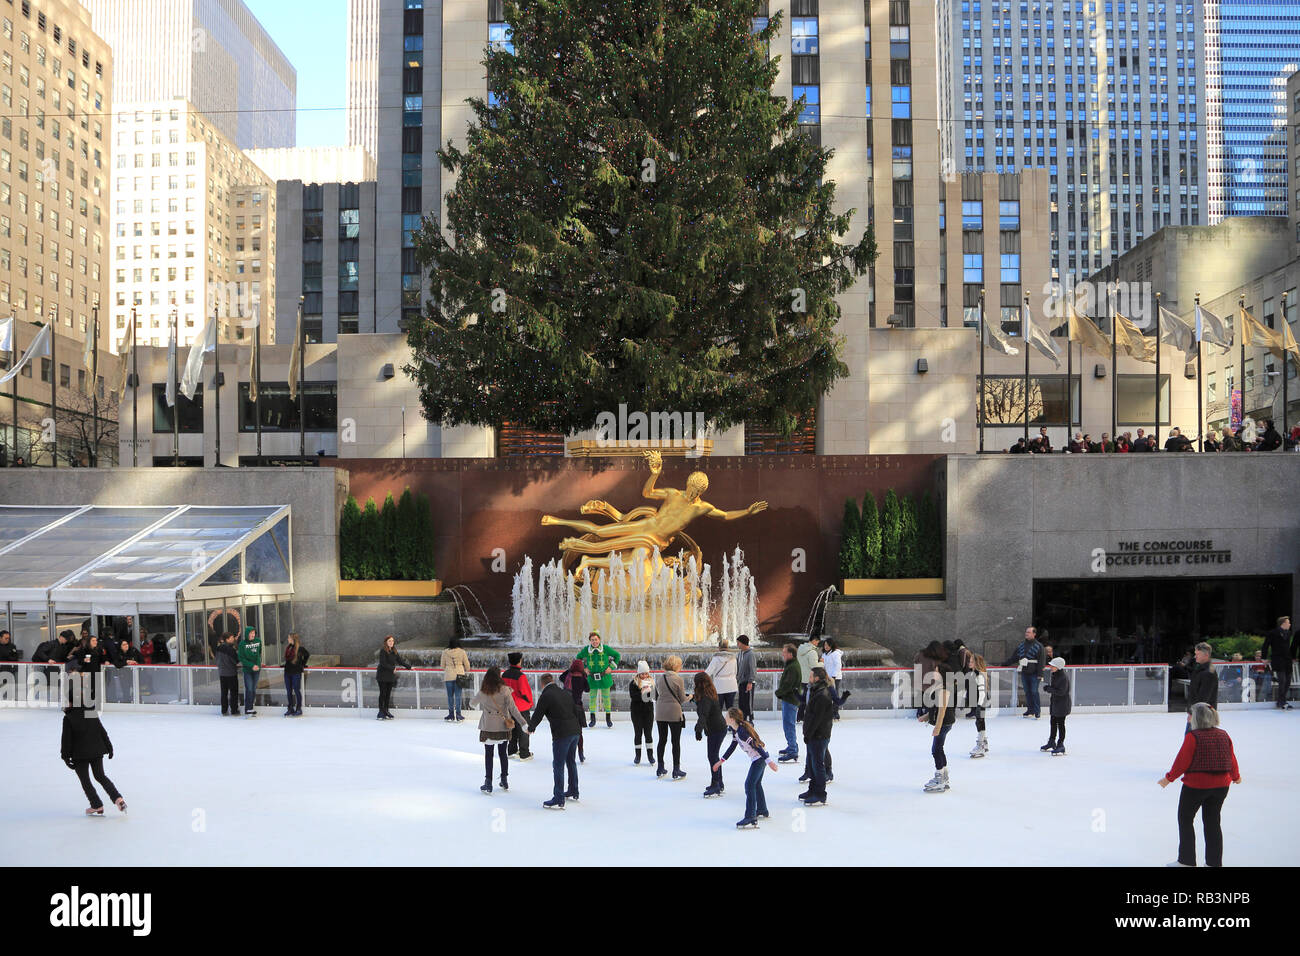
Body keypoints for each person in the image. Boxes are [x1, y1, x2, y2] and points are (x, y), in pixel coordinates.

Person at [1159, 702, 1241, 867]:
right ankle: (1213, 863)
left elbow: (1182, 761)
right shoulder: (1224, 734)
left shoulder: (1193, 737)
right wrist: (1235, 776)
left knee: (1185, 819)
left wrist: (1169, 778)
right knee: (1212, 822)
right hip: (1221, 786)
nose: (1188, 718)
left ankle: (1186, 861)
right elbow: (1231, 758)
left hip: (1196, 786)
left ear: (1196, 718)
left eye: (1190, 715)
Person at [61, 662, 126, 816]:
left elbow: (66, 740)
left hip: (80, 754)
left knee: (86, 780)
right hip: (97, 750)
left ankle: (96, 805)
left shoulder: (69, 717)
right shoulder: (91, 712)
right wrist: (109, 747)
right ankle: (118, 799)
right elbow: (102, 731)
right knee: (101, 776)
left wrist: (65, 756)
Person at [527, 673, 584, 809]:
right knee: (571, 762)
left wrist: (531, 727)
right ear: (552, 681)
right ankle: (573, 790)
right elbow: (574, 710)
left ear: (542, 684)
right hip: (575, 731)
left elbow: (538, 713)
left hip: (562, 734)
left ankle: (559, 798)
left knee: (558, 765)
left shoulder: (546, 695)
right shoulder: (564, 692)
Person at [715, 707, 778, 829]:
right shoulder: (736, 730)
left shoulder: (743, 732)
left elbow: (756, 745)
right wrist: (720, 761)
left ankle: (751, 817)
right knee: (756, 784)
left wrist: (769, 761)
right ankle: (762, 810)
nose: (725, 717)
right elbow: (732, 746)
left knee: (749, 785)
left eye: (727, 716)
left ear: (732, 719)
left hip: (760, 759)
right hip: (759, 759)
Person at [472, 666, 528, 795]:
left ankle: (488, 782)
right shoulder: (505, 690)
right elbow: (513, 709)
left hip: (488, 727)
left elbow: (472, 704)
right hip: (503, 726)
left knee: (489, 755)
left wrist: (484, 704)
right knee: (503, 753)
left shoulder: (483, 691)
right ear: (499, 676)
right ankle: (504, 779)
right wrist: (524, 724)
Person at [919, 647, 954, 792]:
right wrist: (926, 716)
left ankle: (940, 777)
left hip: (944, 723)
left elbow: (942, 710)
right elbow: (935, 707)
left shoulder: (944, 690)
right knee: (939, 748)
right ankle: (944, 776)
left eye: (937, 671)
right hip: (944, 723)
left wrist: (937, 727)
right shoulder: (938, 687)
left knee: (936, 750)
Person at [800, 666, 834, 806]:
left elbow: (817, 718)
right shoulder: (816, 691)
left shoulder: (822, 694)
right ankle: (812, 789)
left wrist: (809, 734)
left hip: (819, 735)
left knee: (818, 765)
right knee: (812, 765)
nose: (809, 678)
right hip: (814, 735)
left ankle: (820, 794)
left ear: (817, 678)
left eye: (811, 676)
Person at [576, 631, 621, 728]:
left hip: (604, 677)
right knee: (592, 699)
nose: (594, 642)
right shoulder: (586, 650)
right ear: (590, 641)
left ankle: (608, 719)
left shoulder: (605, 648)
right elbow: (578, 658)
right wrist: (584, 668)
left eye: (596, 639)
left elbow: (617, 655)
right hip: (592, 679)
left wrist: (611, 667)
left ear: (599, 640)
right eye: (592, 640)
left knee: (606, 699)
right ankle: (592, 719)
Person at [692, 671, 727, 798]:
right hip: (718, 728)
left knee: (712, 757)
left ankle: (716, 784)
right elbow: (703, 709)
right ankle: (719, 782)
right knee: (714, 756)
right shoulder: (709, 693)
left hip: (716, 729)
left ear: (700, 684)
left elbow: (704, 715)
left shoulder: (706, 698)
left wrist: (698, 730)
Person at [653, 655, 688, 780]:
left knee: (662, 740)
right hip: (674, 712)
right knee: (675, 742)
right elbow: (682, 699)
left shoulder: (659, 678)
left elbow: (656, 695)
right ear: (676, 666)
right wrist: (690, 697)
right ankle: (676, 769)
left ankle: (660, 767)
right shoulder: (678, 678)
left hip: (661, 711)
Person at [501, 652, 534, 761]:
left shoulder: (504, 674)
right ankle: (524, 753)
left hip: (508, 706)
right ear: (519, 661)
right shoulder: (521, 676)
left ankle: (511, 751)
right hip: (521, 707)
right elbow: (525, 692)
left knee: (511, 728)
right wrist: (530, 702)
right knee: (524, 729)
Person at [1006, 626, 1044, 718]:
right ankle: (1030, 710)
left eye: (1029, 632)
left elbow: (1041, 661)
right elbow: (1015, 657)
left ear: (1034, 634)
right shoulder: (1021, 645)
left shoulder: (1039, 646)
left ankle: (1037, 711)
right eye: (1026, 632)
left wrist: (1040, 674)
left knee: (1034, 692)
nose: (1026, 633)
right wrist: (1005, 664)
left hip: (1035, 673)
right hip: (1024, 672)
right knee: (1027, 692)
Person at [775, 642, 802, 763]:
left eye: (784, 652)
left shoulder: (792, 667)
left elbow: (788, 685)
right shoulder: (791, 664)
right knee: (788, 725)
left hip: (790, 700)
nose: (782, 654)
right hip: (789, 699)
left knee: (789, 725)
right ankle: (792, 746)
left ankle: (792, 750)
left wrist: (778, 692)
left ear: (790, 654)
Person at [1040, 657, 1071, 755]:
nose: (1051, 667)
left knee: (1060, 724)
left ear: (1058, 667)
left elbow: (1061, 692)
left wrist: (1049, 689)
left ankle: (1061, 744)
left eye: (1053, 665)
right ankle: (1051, 741)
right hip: (1055, 703)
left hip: (1062, 704)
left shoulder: (1063, 677)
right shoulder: (1055, 675)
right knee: (1053, 722)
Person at [1261, 615, 1294, 709]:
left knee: (1288, 681)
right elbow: (1266, 645)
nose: (1290, 624)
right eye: (1288, 622)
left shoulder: (1288, 633)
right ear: (1283, 623)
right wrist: (1263, 657)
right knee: (1282, 680)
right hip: (1278, 659)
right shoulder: (1272, 633)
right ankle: (1282, 701)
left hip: (1287, 659)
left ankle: (1281, 700)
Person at [376, 635, 412, 720]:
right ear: (386, 642)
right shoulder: (383, 651)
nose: (391, 642)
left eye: (392, 641)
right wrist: (392, 668)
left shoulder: (394, 651)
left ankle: (386, 711)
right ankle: (381, 712)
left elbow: (400, 661)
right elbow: (383, 663)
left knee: (388, 695)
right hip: (382, 676)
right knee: (383, 694)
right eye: (389, 641)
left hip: (390, 676)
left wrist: (409, 667)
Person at [560, 659, 589, 761]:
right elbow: (588, 689)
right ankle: (580, 753)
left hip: (566, 708)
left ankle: (567, 753)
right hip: (577, 708)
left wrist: (570, 669)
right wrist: (585, 674)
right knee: (579, 733)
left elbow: (560, 677)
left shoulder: (568, 676)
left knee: (566, 732)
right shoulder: (582, 678)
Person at [629, 660, 656, 765]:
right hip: (637, 712)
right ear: (638, 673)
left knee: (648, 734)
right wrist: (642, 692)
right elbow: (633, 696)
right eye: (642, 673)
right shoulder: (633, 683)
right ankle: (638, 755)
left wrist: (649, 692)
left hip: (648, 712)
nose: (644, 675)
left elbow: (654, 697)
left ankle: (650, 755)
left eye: (646, 673)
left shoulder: (651, 682)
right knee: (638, 733)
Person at [1186, 641, 1217, 731]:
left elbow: (1203, 698)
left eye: (1198, 654)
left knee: (1194, 741)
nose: (1195, 656)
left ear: (1206, 655)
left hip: (1202, 717)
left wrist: (1193, 714)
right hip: (1198, 714)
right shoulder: (1200, 668)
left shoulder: (1208, 673)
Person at [440, 636, 471, 722]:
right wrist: (463, 668)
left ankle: (450, 715)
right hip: (459, 676)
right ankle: (458, 715)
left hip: (449, 675)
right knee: (458, 696)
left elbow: (442, 666)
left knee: (450, 696)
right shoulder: (462, 652)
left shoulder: (445, 652)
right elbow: (467, 666)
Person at [967, 652, 991, 758]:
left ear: (977, 663)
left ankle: (981, 744)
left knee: (979, 722)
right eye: (970, 661)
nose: (969, 663)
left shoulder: (979, 674)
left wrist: (979, 705)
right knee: (979, 721)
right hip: (978, 702)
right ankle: (984, 742)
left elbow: (982, 692)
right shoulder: (973, 673)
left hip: (980, 702)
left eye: (972, 661)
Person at [705, 638, 739, 710]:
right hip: (731, 685)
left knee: (718, 708)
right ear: (728, 647)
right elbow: (735, 672)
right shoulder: (733, 658)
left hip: (719, 686)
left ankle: (719, 721)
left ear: (719, 647)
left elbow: (708, 673)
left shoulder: (716, 659)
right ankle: (731, 721)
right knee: (730, 708)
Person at [282, 632, 309, 718]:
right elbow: (288, 660)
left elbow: (307, 655)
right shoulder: (288, 648)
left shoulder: (300, 649)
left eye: (289, 638)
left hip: (296, 673)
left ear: (293, 639)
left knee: (296, 690)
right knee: (289, 691)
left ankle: (298, 708)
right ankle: (290, 708)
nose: (288, 639)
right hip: (287, 672)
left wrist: (302, 664)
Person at [237, 626, 262, 717]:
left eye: (254, 633)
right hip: (247, 670)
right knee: (249, 689)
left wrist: (257, 665)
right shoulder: (242, 644)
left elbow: (259, 654)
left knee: (254, 689)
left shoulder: (258, 641)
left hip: (257, 670)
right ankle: (248, 709)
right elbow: (241, 658)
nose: (252, 635)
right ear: (247, 634)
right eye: (251, 633)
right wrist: (252, 666)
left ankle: (250, 707)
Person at [796, 634, 821, 719]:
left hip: (802, 677)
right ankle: (806, 716)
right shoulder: (812, 652)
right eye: (817, 642)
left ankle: (800, 716)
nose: (817, 644)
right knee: (810, 698)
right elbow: (814, 666)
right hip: (810, 678)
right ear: (814, 640)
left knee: (804, 697)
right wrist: (822, 663)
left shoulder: (800, 649)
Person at [215, 632, 240, 716]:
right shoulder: (231, 650)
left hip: (222, 674)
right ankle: (234, 710)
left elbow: (217, 660)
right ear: (227, 639)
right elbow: (236, 661)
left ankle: (224, 710)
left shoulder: (218, 648)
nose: (233, 639)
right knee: (233, 693)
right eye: (232, 638)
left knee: (224, 692)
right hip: (231, 674)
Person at [735, 635, 757, 721]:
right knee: (742, 703)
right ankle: (743, 719)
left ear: (743, 643)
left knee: (748, 703)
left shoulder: (750, 654)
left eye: (738, 643)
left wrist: (750, 682)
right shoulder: (740, 653)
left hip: (748, 682)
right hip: (741, 682)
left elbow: (752, 668)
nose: (737, 645)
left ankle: (750, 720)